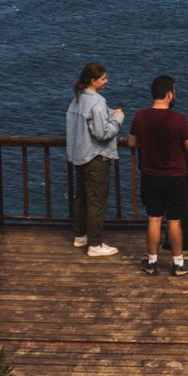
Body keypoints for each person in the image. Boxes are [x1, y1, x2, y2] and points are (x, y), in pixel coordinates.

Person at [130, 75, 188, 277]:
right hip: (175, 176)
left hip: (150, 175)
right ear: (169, 95)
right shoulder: (177, 119)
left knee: (153, 218)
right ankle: (178, 263)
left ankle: (152, 262)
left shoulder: (140, 116)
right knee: (174, 220)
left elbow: (132, 143)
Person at [65, 61, 123, 257]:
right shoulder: (97, 101)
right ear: (93, 80)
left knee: (81, 197)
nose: (107, 81)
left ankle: (80, 236)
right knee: (97, 200)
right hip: (96, 157)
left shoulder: (77, 99)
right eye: (103, 78)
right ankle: (95, 244)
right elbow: (103, 133)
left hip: (78, 155)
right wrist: (117, 118)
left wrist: (108, 113)